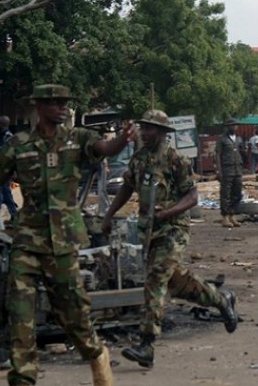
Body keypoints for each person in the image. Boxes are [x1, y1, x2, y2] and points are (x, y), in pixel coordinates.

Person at [0, 84, 133, 386]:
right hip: (27, 241)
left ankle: (96, 355)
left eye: (65, 102)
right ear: (39, 107)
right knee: (20, 312)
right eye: (55, 103)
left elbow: (103, 149)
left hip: (64, 242)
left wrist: (122, 139)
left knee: (73, 314)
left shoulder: (77, 138)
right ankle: (23, 378)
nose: (63, 107)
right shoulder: (19, 145)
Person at [102, 109, 238, 369]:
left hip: (174, 229)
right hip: (150, 231)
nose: (146, 132)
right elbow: (127, 187)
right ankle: (222, 299)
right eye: (144, 128)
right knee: (175, 281)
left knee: (154, 279)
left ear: (163, 133)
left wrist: (169, 212)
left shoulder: (176, 159)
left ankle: (147, 344)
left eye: (151, 128)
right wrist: (109, 215)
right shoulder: (139, 159)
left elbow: (193, 197)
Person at [216, 118, 243, 228]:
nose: (234, 127)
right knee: (225, 194)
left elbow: (242, 153)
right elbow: (217, 155)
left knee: (237, 193)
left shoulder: (239, 139)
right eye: (232, 125)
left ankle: (232, 215)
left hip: (238, 169)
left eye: (236, 125)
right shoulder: (222, 139)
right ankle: (225, 217)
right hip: (227, 169)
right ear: (228, 126)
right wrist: (219, 171)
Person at [0, 115, 19, 222]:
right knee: (4, 193)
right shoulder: (0, 136)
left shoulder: (8, 137)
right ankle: (13, 214)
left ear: (3, 124)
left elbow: (13, 155)